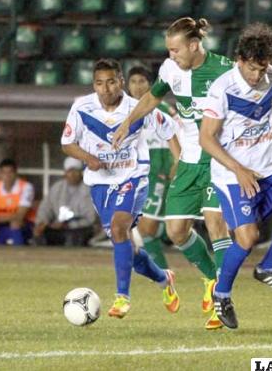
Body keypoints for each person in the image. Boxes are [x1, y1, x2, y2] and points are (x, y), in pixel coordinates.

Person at [113, 17, 235, 330]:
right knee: (176, 232)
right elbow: (153, 97)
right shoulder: (170, 71)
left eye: (175, 49)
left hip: (219, 158)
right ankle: (210, 277)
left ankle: (221, 300)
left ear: (194, 45)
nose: (171, 56)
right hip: (190, 159)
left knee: (215, 223)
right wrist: (128, 123)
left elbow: (256, 99)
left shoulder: (225, 70)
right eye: (168, 50)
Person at [199, 22, 272, 329]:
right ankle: (221, 295)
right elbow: (206, 139)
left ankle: (267, 268)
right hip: (231, 174)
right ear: (240, 61)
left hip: (266, 168)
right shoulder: (222, 89)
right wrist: (239, 169)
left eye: (262, 69)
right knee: (247, 237)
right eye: (251, 69)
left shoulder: (270, 76)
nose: (257, 76)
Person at [61, 58, 181, 319]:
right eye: (99, 83)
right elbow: (67, 143)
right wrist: (87, 158)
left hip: (133, 178)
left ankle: (122, 297)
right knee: (127, 247)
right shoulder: (82, 107)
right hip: (100, 185)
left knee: (119, 227)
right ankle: (163, 279)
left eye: (111, 82)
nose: (105, 89)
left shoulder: (139, 107)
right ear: (94, 84)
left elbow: (170, 131)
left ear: (121, 82)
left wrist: (179, 163)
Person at [127, 66, 177, 269]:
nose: (137, 86)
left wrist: (175, 163)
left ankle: (165, 276)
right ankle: (163, 274)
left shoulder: (162, 109)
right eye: (133, 82)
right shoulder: (127, 112)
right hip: (138, 177)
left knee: (146, 229)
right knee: (141, 229)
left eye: (142, 81)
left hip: (159, 175)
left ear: (151, 84)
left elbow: (178, 136)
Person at [33, 157, 96, 246]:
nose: (73, 174)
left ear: (81, 173)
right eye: (70, 171)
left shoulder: (89, 189)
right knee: (40, 233)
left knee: (73, 237)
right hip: (58, 227)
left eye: (76, 171)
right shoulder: (57, 188)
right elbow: (45, 208)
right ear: (65, 173)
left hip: (80, 229)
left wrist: (68, 224)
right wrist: (42, 222)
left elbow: (91, 219)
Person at [0, 158, 35, 245]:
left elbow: (20, 215)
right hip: (0, 225)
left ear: (16, 174)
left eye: (10, 172)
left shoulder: (26, 187)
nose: (7, 176)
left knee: (15, 223)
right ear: (0, 174)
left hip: (24, 224)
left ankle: (18, 252)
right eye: (4, 173)